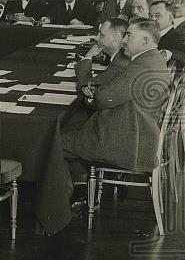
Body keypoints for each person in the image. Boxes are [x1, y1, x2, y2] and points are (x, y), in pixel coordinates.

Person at [62, 18, 171, 176]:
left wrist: (95, 97)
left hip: (125, 145)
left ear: (145, 41)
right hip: (137, 135)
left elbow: (104, 98)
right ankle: (79, 185)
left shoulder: (142, 66)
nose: (124, 40)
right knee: (71, 129)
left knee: (54, 143)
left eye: (129, 36)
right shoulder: (153, 60)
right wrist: (99, 95)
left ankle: (65, 195)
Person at [73, 17, 131, 93]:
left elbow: (85, 88)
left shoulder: (119, 65)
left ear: (117, 37)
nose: (96, 38)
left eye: (102, 35)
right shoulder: (120, 57)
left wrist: (88, 56)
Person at [150, 0, 185, 68]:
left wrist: (169, 53)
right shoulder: (148, 35)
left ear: (170, 17)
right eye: (150, 16)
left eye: (157, 15)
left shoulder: (177, 37)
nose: (152, 19)